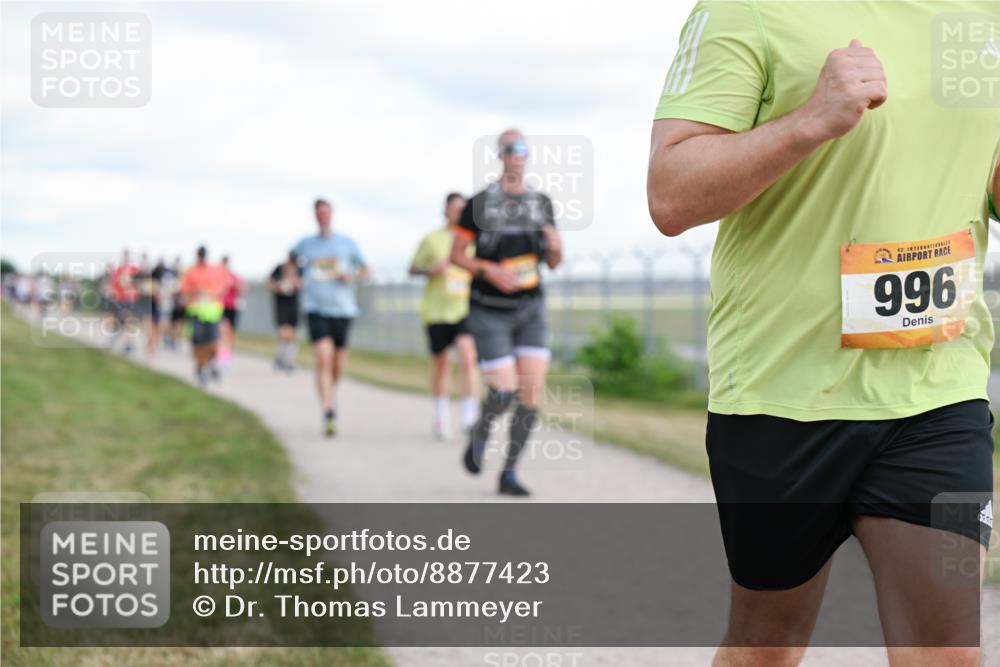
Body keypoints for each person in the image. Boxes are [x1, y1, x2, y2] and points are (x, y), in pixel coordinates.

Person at [647, 3, 998, 664]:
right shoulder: (747, 9)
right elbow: (671, 194)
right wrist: (810, 121)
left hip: (937, 388)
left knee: (947, 652)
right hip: (782, 391)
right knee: (766, 647)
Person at [451, 129, 563, 496]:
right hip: (490, 310)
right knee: (503, 391)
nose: (518, 154)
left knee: (530, 395)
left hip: (531, 308)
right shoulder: (479, 203)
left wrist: (556, 248)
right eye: (511, 149)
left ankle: (509, 473)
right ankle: (482, 429)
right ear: (500, 155)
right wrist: (489, 270)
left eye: (523, 149)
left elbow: (553, 262)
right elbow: (457, 256)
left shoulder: (541, 203)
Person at [293, 198, 369, 437]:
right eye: (319, 213)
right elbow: (290, 264)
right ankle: (328, 411)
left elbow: (365, 269)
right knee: (323, 358)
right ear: (315, 215)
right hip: (316, 308)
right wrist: (295, 278)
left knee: (337, 365)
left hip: (343, 310)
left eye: (326, 212)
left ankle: (329, 393)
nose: (323, 216)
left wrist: (352, 276)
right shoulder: (305, 244)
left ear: (331, 214)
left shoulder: (347, 243)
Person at [410, 192, 480, 440]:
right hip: (437, 311)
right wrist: (431, 269)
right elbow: (413, 268)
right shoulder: (432, 238)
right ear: (446, 210)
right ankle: (441, 417)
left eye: (463, 209)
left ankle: (469, 419)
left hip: (465, 309)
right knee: (442, 364)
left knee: (468, 358)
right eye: (455, 208)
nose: (459, 213)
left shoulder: (474, 238)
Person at [179, 246, 230, 385]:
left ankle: (211, 364)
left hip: (212, 313)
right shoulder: (190, 271)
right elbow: (184, 290)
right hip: (196, 312)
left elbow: (224, 286)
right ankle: (201, 368)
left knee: (213, 344)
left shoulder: (214, 270)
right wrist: (195, 292)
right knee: (198, 344)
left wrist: (213, 293)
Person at [269, 251, 302, 372]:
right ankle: (281, 358)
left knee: (293, 333)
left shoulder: (300, 270)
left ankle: (289, 360)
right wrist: (279, 286)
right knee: (283, 332)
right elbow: (270, 283)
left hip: (293, 304)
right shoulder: (279, 268)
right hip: (281, 304)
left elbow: (302, 283)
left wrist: (296, 283)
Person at [107, 249, 140, 354]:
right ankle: (113, 338)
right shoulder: (118, 270)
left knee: (128, 321)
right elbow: (113, 284)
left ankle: (129, 344)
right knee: (115, 321)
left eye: (126, 255)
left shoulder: (134, 270)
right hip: (118, 299)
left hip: (129, 299)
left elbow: (138, 283)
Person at [218, 255, 244, 368]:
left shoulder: (234, 276)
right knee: (223, 330)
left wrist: (237, 286)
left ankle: (229, 353)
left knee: (231, 332)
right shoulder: (218, 276)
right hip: (221, 306)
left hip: (232, 306)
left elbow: (242, 288)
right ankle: (223, 355)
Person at [166, 257, 186, 350]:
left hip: (182, 307)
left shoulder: (185, 282)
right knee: (173, 325)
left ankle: (176, 341)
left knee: (180, 325)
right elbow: (171, 293)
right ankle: (172, 339)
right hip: (175, 306)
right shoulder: (174, 281)